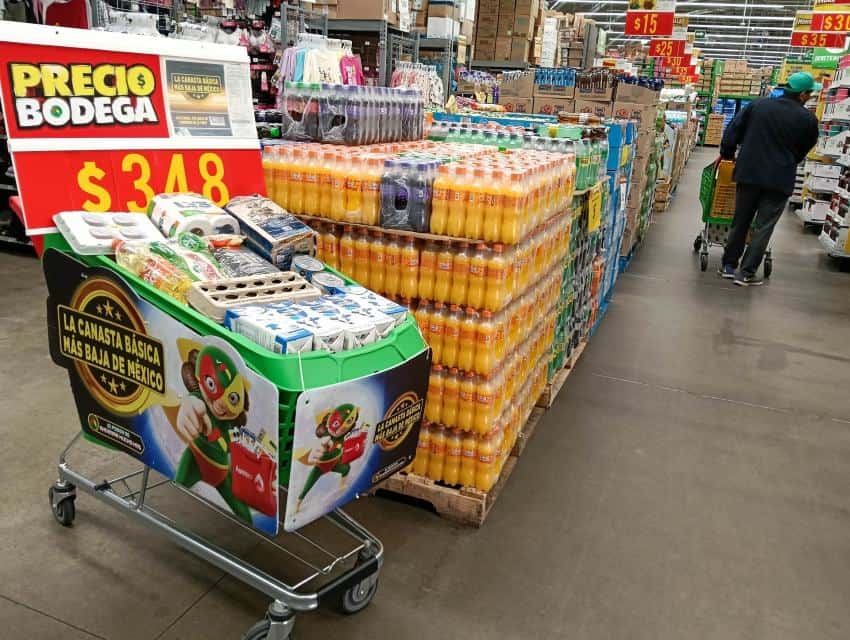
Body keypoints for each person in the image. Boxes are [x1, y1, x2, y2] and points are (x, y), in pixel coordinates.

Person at [717, 72, 821, 286]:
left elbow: (733, 130)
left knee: (741, 221)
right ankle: (746, 273)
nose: (810, 97)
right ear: (802, 94)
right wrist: (789, 159)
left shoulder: (758, 106)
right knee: (764, 226)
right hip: (779, 178)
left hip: (749, 172)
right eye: (810, 93)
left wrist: (728, 153)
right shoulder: (808, 120)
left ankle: (728, 265)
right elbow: (805, 148)